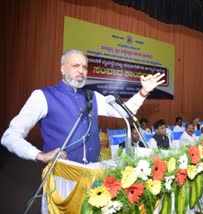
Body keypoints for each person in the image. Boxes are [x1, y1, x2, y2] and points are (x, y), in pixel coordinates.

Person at [1, 49, 164, 164]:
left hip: (92, 176)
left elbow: (123, 112)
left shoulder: (92, 96)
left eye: (85, 67)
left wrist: (143, 92)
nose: (81, 71)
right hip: (62, 177)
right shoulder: (42, 96)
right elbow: (10, 136)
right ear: (62, 69)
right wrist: (39, 155)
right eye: (75, 66)